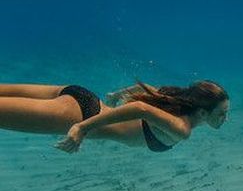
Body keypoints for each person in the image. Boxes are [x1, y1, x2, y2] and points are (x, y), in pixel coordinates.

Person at [0, 80, 230, 153]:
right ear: (202, 112)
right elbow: (140, 108)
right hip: (75, 115)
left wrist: (116, 94)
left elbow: (149, 91)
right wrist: (82, 128)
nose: (225, 119)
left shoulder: (174, 105)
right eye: (221, 114)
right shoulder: (181, 127)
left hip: (83, 96)